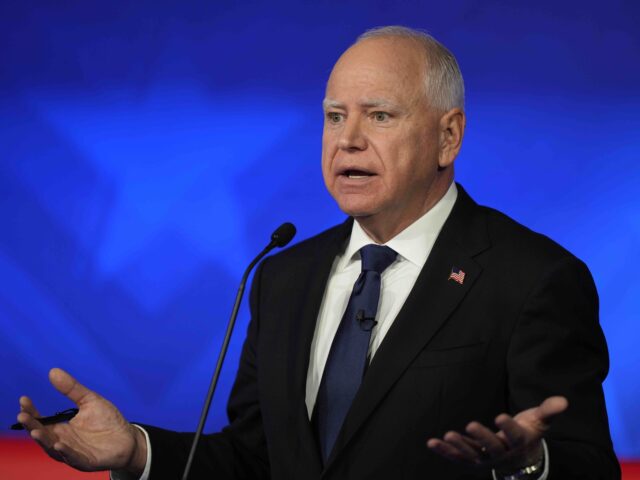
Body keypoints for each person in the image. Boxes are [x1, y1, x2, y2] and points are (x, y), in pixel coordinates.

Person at [16, 26, 620, 479]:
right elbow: (256, 458)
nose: (348, 139)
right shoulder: (284, 277)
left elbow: (587, 464)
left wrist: (531, 463)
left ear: (448, 136)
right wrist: (137, 450)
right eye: (335, 116)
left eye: (379, 115)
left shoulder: (533, 278)